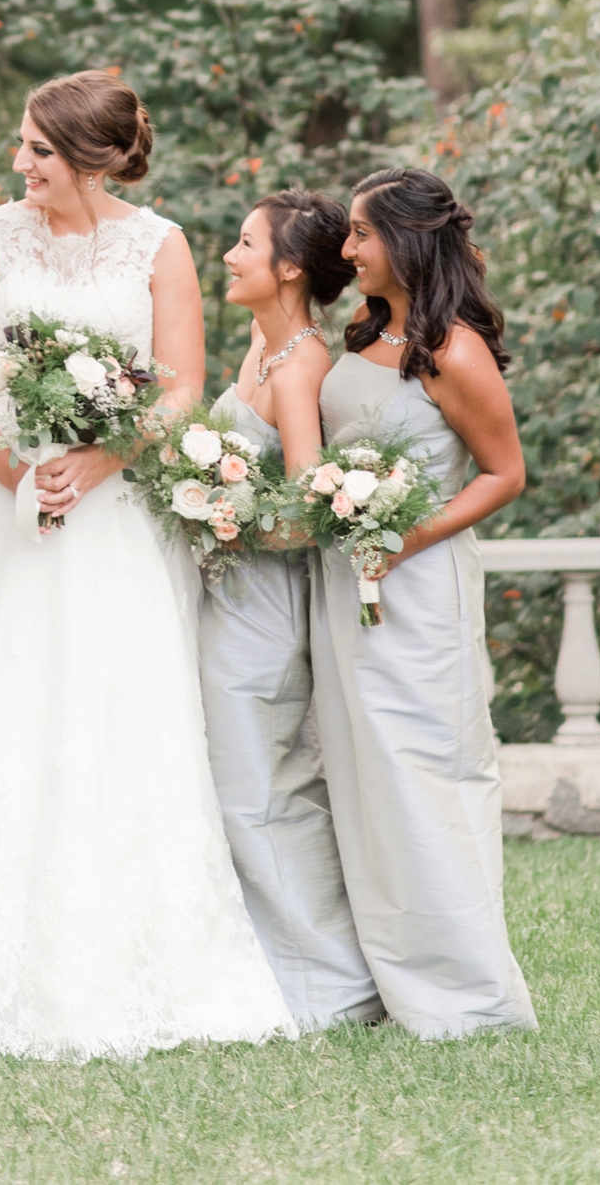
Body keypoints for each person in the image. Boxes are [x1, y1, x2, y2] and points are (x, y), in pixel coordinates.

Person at [0, 71, 293, 1059]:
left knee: (115, 709)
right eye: (21, 145)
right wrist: (11, 469)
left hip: (113, 515)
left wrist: (102, 457)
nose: (18, 163)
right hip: (4, 512)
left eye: (35, 148)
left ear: (90, 156)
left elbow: (181, 385)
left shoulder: (159, 247)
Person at [310, 166, 536, 1037]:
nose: (348, 248)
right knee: (366, 776)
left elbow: (505, 474)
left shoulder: (453, 349)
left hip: (418, 590)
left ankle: (467, 996)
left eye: (362, 233)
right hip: (348, 586)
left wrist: (407, 536)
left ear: (405, 240)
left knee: (423, 773)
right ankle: (388, 976)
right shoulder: (365, 334)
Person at [198, 191, 381, 1031]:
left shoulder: (304, 365)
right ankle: (263, 966)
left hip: (265, 607)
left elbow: (311, 509)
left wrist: (220, 515)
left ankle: (331, 985)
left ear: (289, 268)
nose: (228, 255)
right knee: (233, 786)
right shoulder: (259, 346)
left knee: (261, 790)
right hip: (223, 594)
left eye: (244, 243)